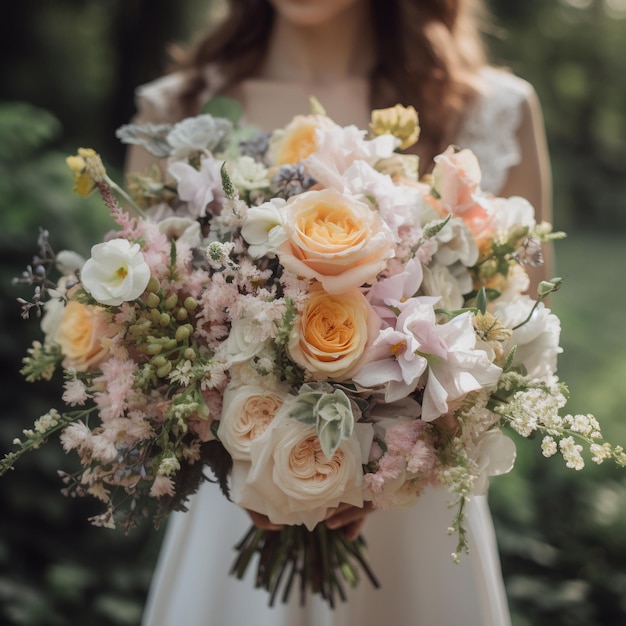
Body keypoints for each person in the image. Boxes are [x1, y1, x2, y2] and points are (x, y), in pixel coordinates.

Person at [126, 1, 553, 624]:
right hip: (236, 510)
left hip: (414, 518)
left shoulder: (491, 110)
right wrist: (233, 454)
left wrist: (392, 465)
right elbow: (140, 322)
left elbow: (515, 333)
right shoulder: (174, 110)